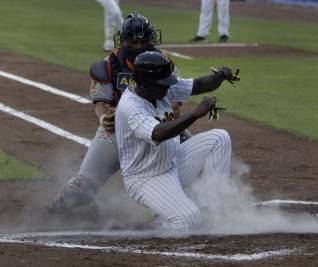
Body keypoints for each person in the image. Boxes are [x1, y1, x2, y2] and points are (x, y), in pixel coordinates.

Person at [47, 14, 181, 215]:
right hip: (117, 131)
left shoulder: (164, 63)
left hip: (158, 128)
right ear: (123, 40)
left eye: (144, 41)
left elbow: (176, 103)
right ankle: (60, 209)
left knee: (194, 162)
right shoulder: (110, 64)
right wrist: (103, 119)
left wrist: (166, 113)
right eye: (133, 41)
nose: (138, 46)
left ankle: (187, 209)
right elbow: (100, 103)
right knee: (80, 189)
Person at [115, 51, 236, 230]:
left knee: (219, 138)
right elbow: (158, 133)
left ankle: (212, 212)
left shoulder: (158, 88)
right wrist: (195, 114)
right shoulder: (131, 107)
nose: (167, 88)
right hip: (146, 177)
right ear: (145, 83)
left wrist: (219, 76)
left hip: (172, 161)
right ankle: (155, 227)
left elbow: (198, 85)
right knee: (189, 219)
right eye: (163, 84)